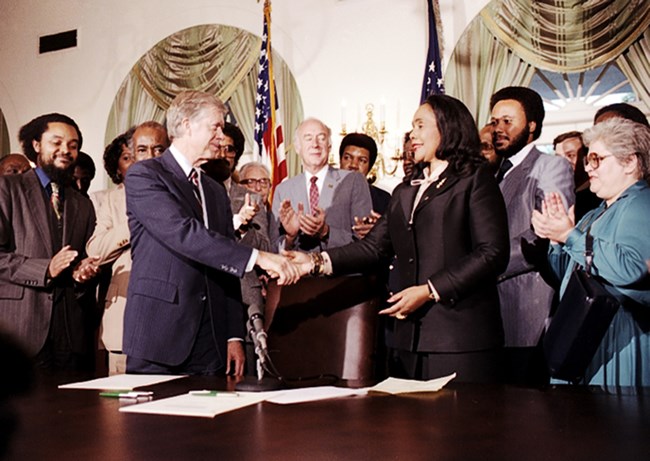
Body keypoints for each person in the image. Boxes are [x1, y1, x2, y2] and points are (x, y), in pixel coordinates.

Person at [289, 95, 510, 383]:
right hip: (407, 340)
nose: (412, 135)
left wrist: (430, 290)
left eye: (420, 125)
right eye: (412, 127)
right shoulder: (405, 190)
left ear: (447, 127)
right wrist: (314, 262)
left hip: (459, 339)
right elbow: (373, 248)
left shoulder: (474, 179)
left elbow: (492, 252)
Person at [123, 90, 298, 376]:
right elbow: (184, 234)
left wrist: (233, 335)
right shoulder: (145, 176)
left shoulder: (215, 190)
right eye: (215, 126)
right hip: (160, 333)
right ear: (187, 124)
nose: (221, 135)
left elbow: (225, 265)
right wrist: (260, 257)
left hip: (211, 340)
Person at [532, 118, 650, 392]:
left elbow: (631, 268)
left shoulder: (641, 203)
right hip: (587, 337)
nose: (588, 168)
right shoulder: (594, 213)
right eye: (588, 160)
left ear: (630, 162)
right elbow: (567, 277)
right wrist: (557, 240)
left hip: (619, 339)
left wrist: (570, 236)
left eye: (596, 159)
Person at [489, 86, 575, 386]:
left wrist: (484, 265)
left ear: (532, 126)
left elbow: (545, 236)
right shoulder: (493, 173)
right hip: (491, 318)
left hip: (527, 314)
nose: (498, 128)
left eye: (508, 121)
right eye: (494, 121)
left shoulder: (550, 165)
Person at [0, 113, 98, 371]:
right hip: (20, 333)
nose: (65, 150)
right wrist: (45, 269)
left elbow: (80, 261)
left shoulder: (82, 204)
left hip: (70, 337)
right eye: (56, 142)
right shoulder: (7, 189)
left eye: (73, 145)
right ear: (36, 145)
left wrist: (82, 275)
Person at [86, 123, 168, 374]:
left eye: (158, 149)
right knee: (119, 409)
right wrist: (134, 223)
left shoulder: (182, 191)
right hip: (124, 318)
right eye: (138, 152)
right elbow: (95, 250)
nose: (144, 159)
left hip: (173, 320)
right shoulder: (110, 200)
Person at [270, 117, 372, 252]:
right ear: (297, 147)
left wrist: (326, 232)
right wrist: (290, 237)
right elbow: (272, 248)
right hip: (298, 271)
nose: (315, 144)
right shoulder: (283, 190)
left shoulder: (353, 181)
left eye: (321, 138)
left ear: (329, 146)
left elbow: (366, 242)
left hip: (341, 271)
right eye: (308, 138)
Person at [338, 133, 390, 239]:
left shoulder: (384, 199)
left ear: (370, 167)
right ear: (340, 160)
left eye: (362, 160)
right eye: (347, 158)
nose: (353, 165)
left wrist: (377, 232)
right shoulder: (323, 192)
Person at [553, 131, 600, 221]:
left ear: (587, 158)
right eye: (558, 157)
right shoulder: (557, 195)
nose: (562, 163)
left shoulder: (599, 195)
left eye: (571, 155)